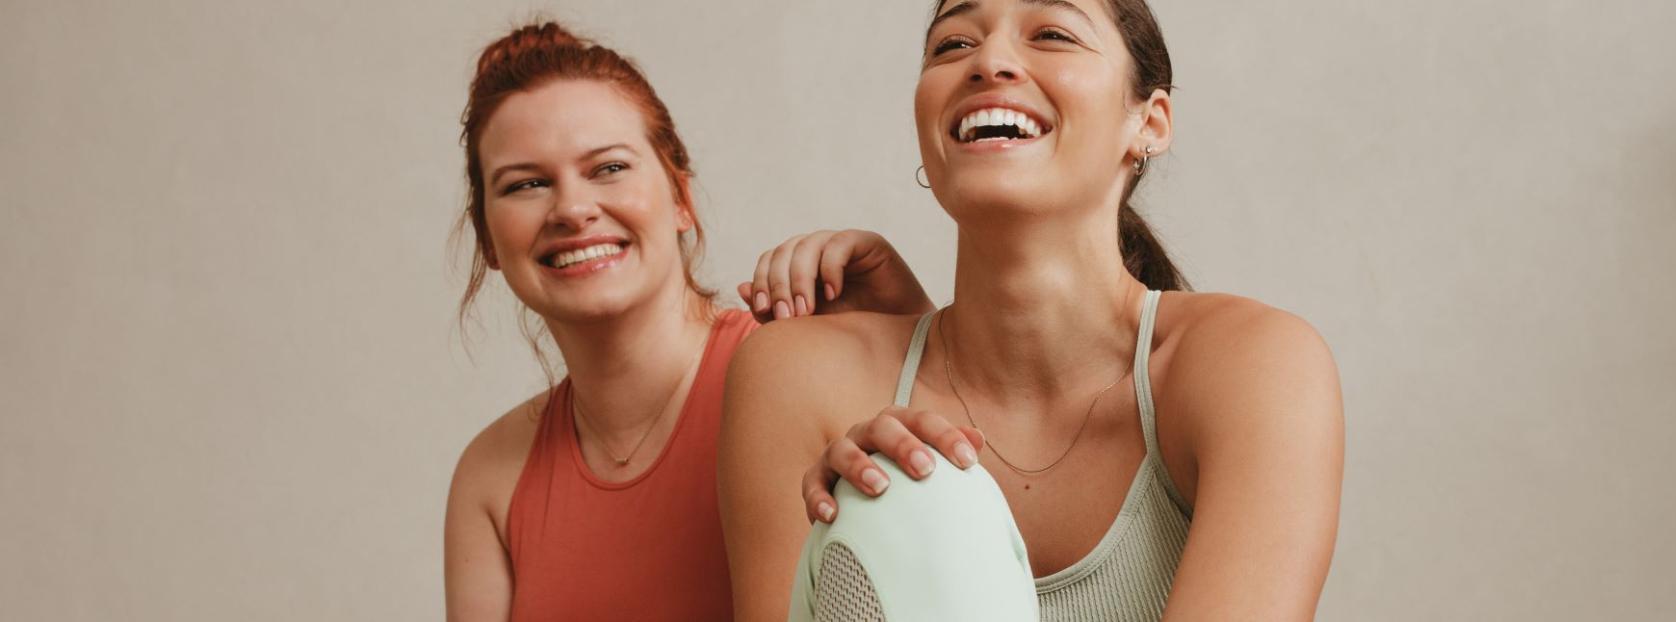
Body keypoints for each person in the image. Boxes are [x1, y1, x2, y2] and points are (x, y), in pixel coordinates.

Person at [720, 1, 1345, 619]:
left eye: (1051, 33)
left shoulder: (1257, 367)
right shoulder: (798, 374)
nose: (988, 60)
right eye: (953, 45)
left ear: (1149, 123)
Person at [441, 22, 933, 621]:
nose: (571, 209)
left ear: (680, 197)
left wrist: (913, 350)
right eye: (527, 184)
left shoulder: (794, 375)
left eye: (608, 168)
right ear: (489, 239)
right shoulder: (489, 478)